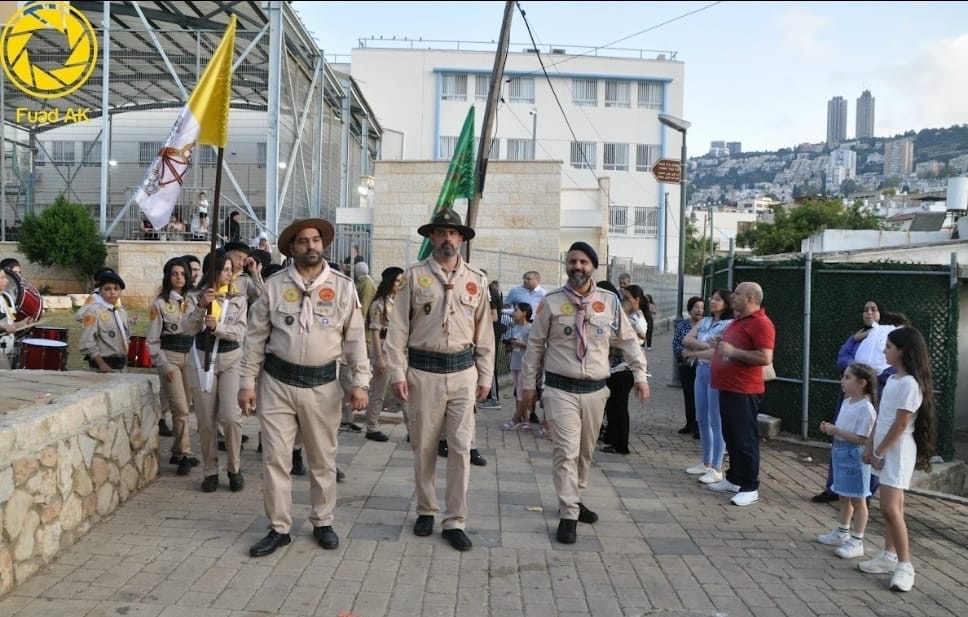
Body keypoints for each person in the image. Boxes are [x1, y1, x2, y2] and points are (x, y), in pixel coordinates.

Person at [239, 218, 370, 557]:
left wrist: (360, 382)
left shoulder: (343, 287)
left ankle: (322, 521)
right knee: (275, 459)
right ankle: (278, 527)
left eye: (315, 240)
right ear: (291, 248)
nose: (311, 246)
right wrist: (246, 383)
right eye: (303, 241)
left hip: (322, 386)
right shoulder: (274, 286)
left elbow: (355, 339)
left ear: (322, 244)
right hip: (277, 384)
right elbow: (255, 338)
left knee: (322, 459)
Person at [521, 242, 649, 544]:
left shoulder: (610, 301)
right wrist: (528, 384)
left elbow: (628, 341)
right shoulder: (551, 301)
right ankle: (568, 513)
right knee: (566, 451)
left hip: (595, 391)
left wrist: (640, 376)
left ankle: (575, 497)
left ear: (593, 266)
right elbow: (535, 345)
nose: (577, 266)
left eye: (583, 262)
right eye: (572, 261)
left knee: (584, 452)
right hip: (560, 389)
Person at [384, 207, 494, 552]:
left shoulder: (476, 279)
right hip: (424, 373)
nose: (448, 238)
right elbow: (397, 329)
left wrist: (486, 375)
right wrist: (397, 372)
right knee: (424, 446)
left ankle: (455, 519)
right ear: (432, 237)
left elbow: (485, 332)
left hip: (462, 373)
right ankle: (426, 509)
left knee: (461, 448)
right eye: (442, 232)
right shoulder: (412, 276)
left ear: (461, 238)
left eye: (453, 233)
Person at [859, 327, 936, 592]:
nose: (884, 351)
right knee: (894, 508)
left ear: (903, 351)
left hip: (897, 451)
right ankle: (888, 555)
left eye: (889, 347)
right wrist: (870, 445)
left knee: (890, 509)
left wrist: (879, 452)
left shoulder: (910, 384)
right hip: (885, 448)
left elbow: (901, 424)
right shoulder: (893, 379)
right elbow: (882, 417)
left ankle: (905, 565)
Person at [813, 300, 893, 503]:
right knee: (840, 439)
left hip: (875, 394)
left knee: (868, 439)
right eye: (865, 309)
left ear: (882, 313)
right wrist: (857, 369)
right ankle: (835, 488)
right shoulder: (857, 337)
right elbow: (842, 357)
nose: (869, 312)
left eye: (873, 309)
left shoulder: (889, 335)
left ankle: (865, 492)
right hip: (850, 396)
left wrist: (874, 376)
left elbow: (895, 365)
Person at [183, 253, 248, 493]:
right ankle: (210, 471)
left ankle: (234, 468)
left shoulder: (238, 299)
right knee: (206, 420)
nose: (229, 274)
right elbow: (188, 329)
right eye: (225, 269)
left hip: (231, 360)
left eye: (231, 269)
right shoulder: (193, 297)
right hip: (202, 361)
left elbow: (239, 332)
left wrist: (217, 327)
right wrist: (201, 307)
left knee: (231, 417)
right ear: (212, 271)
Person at [707, 281, 775, 507]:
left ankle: (750, 487)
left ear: (750, 299)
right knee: (731, 435)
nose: (732, 297)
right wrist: (720, 344)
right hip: (728, 387)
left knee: (745, 439)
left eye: (737, 293)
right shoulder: (738, 320)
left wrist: (733, 351)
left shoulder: (761, 323)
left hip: (744, 390)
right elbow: (734, 348)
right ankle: (734, 478)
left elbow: (765, 357)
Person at [816, 362, 878, 559]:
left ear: (862, 383)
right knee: (843, 495)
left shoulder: (866, 408)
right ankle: (842, 531)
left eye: (847, 377)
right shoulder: (847, 402)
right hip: (840, 452)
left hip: (855, 455)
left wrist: (836, 431)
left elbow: (862, 438)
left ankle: (857, 540)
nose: (842, 381)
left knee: (859, 499)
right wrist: (831, 429)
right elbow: (845, 428)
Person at [146, 257, 199, 475]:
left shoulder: (194, 301)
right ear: (168, 276)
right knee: (180, 408)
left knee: (186, 405)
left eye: (182, 274)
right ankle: (186, 453)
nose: (179, 278)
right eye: (174, 274)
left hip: (191, 358)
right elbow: (152, 340)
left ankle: (177, 450)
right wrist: (163, 364)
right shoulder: (160, 304)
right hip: (170, 358)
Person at [682, 288, 734, 483]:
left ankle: (716, 467)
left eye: (718, 299)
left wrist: (696, 350)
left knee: (715, 420)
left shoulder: (729, 324)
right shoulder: (704, 321)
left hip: (716, 372)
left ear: (726, 303)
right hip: (701, 370)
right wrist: (708, 346)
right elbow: (687, 339)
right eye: (712, 298)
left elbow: (719, 353)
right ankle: (706, 462)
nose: (712, 301)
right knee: (701, 418)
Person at [600, 284, 649, 455]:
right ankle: (613, 438)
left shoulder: (636, 318)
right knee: (612, 406)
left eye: (627, 298)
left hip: (625, 367)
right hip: (615, 367)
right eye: (622, 297)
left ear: (636, 300)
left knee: (619, 407)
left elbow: (638, 338)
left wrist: (610, 342)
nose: (623, 301)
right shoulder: (625, 317)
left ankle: (621, 444)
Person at [363, 266, 405, 442]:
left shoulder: (400, 301)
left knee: (405, 388)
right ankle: (371, 427)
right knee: (379, 390)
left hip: (398, 348)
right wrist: (379, 358)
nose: (401, 284)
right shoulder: (378, 304)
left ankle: (413, 429)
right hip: (383, 346)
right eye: (398, 281)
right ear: (390, 282)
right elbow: (374, 332)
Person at [77, 271, 131, 372]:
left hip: (121, 367)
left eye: (116, 289)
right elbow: (86, 342)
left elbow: (125, 338)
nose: (112, 292)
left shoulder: (122, 312)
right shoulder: (93, 312)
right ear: (100, 291)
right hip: (102, 367)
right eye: (107, 289)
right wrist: (101, 364)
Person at [672, 296, 704, 437]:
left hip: (701, 365)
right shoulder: (682, 325)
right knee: (689, 394)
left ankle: (699, 425)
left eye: (702, 308)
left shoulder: (706, 325)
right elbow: (676, 344)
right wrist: (684, 352)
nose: (699, 310)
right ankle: (689, 423)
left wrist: (696, 351)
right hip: (686, 365)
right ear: (690, 309)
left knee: (700, 396)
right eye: (696, 307)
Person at [500, 302, 533, 431]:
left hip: (525, 364)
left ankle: (516, 420)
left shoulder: (530, 328)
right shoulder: (515, 328)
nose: (513, 312)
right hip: (515, 362)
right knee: (518, 392)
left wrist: (521, 344)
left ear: (524, 313)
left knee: (521, 393)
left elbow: (534, 347)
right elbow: (513, 346)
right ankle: (524, 420)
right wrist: (509, 345)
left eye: (516, 310)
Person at [1, 267, 35, 369]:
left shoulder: (5, 298)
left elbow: (10, 325)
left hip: (7, 348)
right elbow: (4, 326)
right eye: (2, 278)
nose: (7, 281)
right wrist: (3, 326)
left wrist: (23, 323)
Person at [480, 272, 503, 409]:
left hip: (492, 334)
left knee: (490, 365)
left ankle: (494, 399)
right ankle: (486, 397)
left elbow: (494, 317)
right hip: (488, 334)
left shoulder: (490, 293)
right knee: (485, 364)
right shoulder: (489, 291)